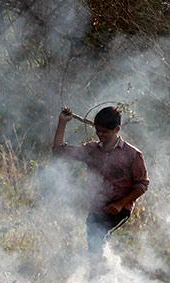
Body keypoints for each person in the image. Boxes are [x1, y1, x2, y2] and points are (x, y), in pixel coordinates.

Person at [52, 106, 149, 263]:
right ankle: (104, 272)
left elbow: (142, 185)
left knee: (97, 237)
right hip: (96, 207)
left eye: (105, 132)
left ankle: (99, 274)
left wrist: (120, 204)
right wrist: (62, 122)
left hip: (119, 209)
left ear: (117, 129)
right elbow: (58, 152)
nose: (101, 135)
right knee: (95, 241)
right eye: (98, 131)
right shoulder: (91, 150)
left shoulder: (132, 155)